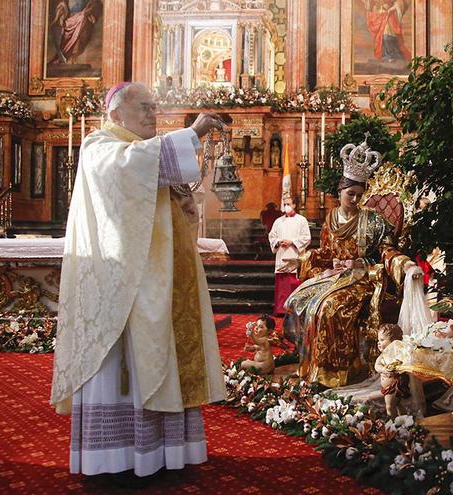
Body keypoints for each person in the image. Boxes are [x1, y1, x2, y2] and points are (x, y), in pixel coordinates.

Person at [50, 82, 228, 479]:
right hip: (120, 289)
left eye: (154, 108)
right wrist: (194, 132)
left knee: (162, 355)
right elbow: (130, 171)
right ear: (116, 114)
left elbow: (159, 193)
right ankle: (117, 457)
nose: (153, 114)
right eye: (144, 108)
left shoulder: (145, 154)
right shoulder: (99, 147)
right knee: (125, 365)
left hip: (157, 283)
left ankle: (163, 452)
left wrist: (182, 203)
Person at [284, 139, 424, 388]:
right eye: (351, 194)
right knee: (300, 301)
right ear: (340, 191)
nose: (356, 199)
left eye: (360, 195)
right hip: (334, 277)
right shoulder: (330, 219)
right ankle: (313, 367)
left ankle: (338, 373)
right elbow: (325, 251)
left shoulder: (374, 221)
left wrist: (401, 265)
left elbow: (386, 251)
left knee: (330, 308)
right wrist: (304, 259)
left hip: (363, 278)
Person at [268, 196, 311, 316]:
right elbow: (272, 236)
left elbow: (306, 237)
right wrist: (277, 242)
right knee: (282, 285)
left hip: (295, 255)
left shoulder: (301, 220)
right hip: (282, 255)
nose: (286, 206)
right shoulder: (278, 221)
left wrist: (292, 242)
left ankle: (294, 310)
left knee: (293, 284)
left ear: (294, 205)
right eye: (284, 203)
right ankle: (281, 309)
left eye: (288, 204)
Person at [374, 323, 408, 416]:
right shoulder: (383, 355)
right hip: (388, 387)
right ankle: (403, 419)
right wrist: (383, 369)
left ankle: (394, 423)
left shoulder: (397, 355)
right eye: (378, 340)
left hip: (394, 386)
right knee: (397, 404)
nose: (378, 342)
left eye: (382, 340)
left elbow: (402, 365)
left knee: (389, 406)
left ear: (393, 341)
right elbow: (377, 365)